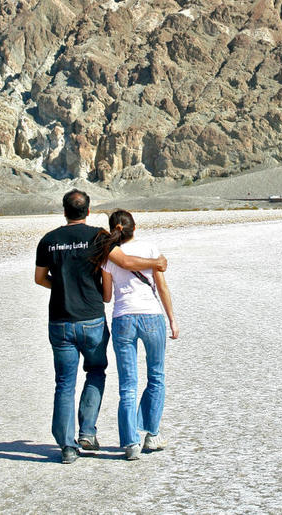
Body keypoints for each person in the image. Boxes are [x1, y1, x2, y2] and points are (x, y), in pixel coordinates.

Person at [35, 189, 167, 464]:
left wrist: (59, 287)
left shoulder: (49, 240)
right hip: (92, 319)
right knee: (95, 371)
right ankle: (87, 431)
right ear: (88, 211)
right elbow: (127, 262)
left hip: (59, 321)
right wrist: (156, 262)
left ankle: (67, 447)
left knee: (64, 384)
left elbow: (39, 278)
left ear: (64, 211)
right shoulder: (97, 237)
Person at [94, 209, 179, 461]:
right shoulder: (151, 250)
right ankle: (152, 434)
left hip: (122, 319)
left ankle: (130, 442)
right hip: (152, 316)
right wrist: (172, 319)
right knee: (156, 375)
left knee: (127, 384)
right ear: (135, 227)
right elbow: (162, 287)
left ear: (113, 231)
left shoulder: (108, 256)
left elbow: (107, 296)